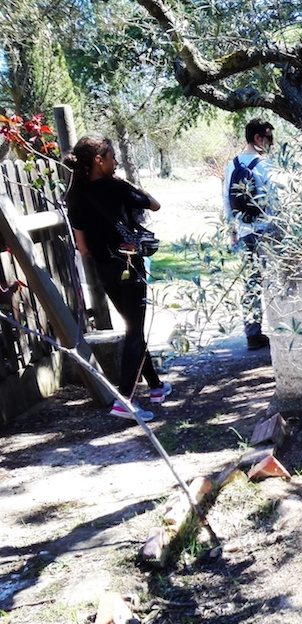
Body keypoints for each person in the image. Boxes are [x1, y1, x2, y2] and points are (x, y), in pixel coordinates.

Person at [65, 135, 170, 422]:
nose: (116, 161)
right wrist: (127, 182)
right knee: (135, 331)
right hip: (130, 266)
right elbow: (155, 204)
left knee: (132, 327)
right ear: (99, 160)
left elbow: (83, 248)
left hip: (105, 269)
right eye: (111, 156)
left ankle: (156, 386)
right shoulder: (117, 187)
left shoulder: (75, 196)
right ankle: (125, 400)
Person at [224, 118, 275, 350]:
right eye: (269, 138)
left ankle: (252, 333)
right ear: (257, 138)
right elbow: (274, 201)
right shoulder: (264, 166)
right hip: (266, 230)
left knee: (251, 282)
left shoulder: (231, 165)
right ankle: (280, 329)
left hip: (245, 231)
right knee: (274, 279)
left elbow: (227, 200)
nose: (271, 144)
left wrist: (232, 229)